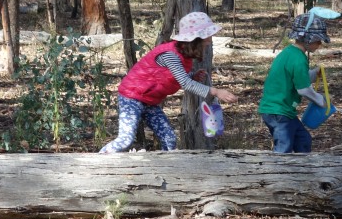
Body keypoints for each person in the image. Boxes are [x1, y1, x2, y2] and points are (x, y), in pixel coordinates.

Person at [99, 12, 238, 153]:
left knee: (169, 139)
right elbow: (184, 83)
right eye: (206, 39)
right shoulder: (170, 55)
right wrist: (215, 91)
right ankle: (97, 161)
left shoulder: (183, 56)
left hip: (149, 100)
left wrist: (192, 76)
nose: (209, 41)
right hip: (132, 97)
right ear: (195, 39)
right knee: (125, 140)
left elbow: (171, 76)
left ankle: (168, 168)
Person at [258, 12, 330, 153]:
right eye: (317, 40)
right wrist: (321, 101)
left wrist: (314, 74)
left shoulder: (290, 53)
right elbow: (303, 89)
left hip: (284, 110)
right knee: (284, 147)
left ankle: (302, 171)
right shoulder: (298, 59)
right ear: (307, 39)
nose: (320, 44)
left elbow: (296, 78)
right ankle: (278, 173)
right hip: (277, 111)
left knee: (303, 140)